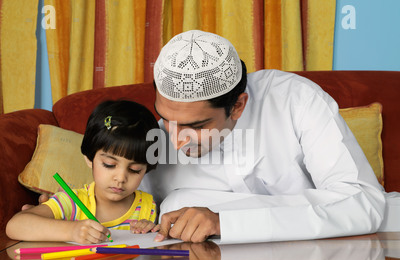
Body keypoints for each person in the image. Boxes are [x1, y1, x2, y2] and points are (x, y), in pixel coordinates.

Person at [139, 29, 386, 243]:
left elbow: (362, 203)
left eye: (196, 126)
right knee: (175, 204)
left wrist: (227, 223)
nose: (176, 140)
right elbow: (119, 209)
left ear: (237, 106)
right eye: (166, 119)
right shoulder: (153, 139)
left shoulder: (294, 100)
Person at [6, 100, 160, 244]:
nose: (120, 178)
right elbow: (15, 226)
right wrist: (72, 231)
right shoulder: (72, 202)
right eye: (109, 164)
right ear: (89, 158)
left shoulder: (147, 206)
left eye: (135, 170)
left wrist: (151, 229)